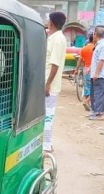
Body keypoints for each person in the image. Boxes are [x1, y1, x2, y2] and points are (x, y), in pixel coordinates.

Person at [44, 11, 67, 153]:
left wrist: (47, 84)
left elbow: (55, 64)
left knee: (48, 115)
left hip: (50, 85)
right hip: (46, 82)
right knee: (45, 114)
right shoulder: (53, 38)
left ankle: (47, 145)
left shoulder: (58, 39)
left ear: (51, 23)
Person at [89, 26, 104, 121]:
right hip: (95, 73)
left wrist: (96, 73)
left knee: (99, 94)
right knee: (94, 93)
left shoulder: (103, 46)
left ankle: (99, 113)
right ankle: (94, 111)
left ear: (95, 34)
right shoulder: (98, 45)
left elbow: (101, 60)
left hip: (100, 75)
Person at [75, 34, 95, 111]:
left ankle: (87, 101)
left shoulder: (84, 49)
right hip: (94, 68)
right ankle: (88, 102)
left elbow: (80, 60)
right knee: (94, 86)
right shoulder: (96, 48)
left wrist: (76, 69)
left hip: (86, 68)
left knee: (87, 86)